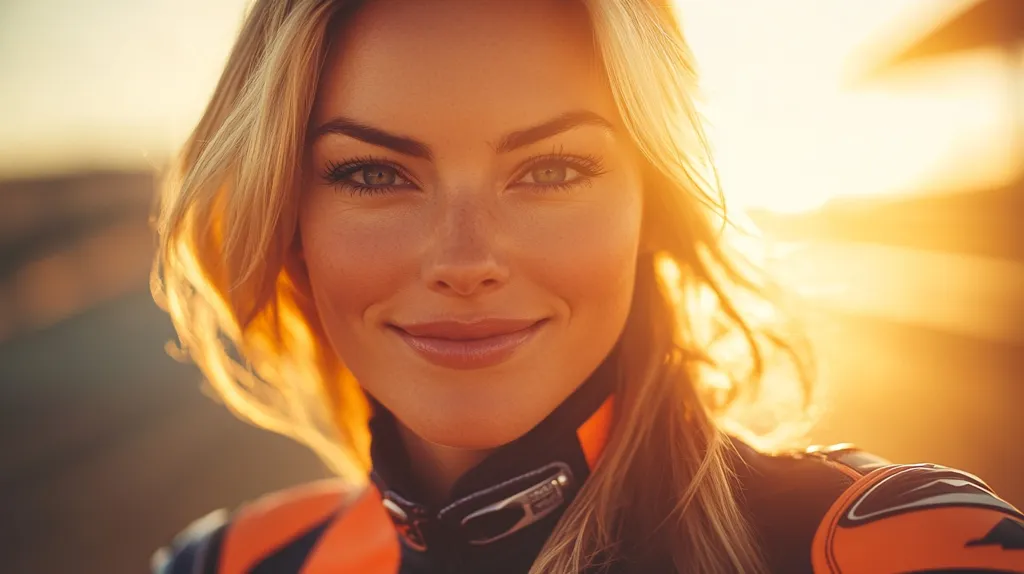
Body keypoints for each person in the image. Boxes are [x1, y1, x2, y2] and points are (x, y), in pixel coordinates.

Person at [150, 0, 1024, 572]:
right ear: (288, 219)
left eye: (554, 168)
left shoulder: (910, 548)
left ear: (654, 200)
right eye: (375, 175)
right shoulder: (229, 562)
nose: (465, 258)